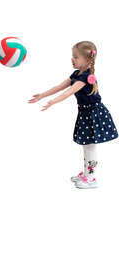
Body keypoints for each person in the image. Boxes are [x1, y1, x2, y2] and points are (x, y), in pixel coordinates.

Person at [28, 41, 118, 189]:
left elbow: (68, 92)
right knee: (86, 145)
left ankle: (91, 177)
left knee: (90, 146)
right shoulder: (77, 74)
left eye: (76, 57)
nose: (72, 59)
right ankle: (87, 173)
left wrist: (52, 102)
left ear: (87, 60)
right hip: (85, 113)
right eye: (72, 56)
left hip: (94, 114)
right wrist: (42, 95)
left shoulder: (86, 77)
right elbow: (60, 86)